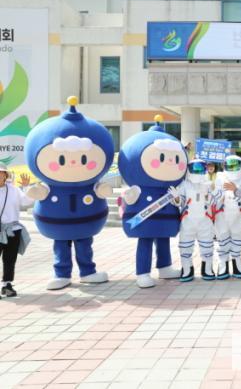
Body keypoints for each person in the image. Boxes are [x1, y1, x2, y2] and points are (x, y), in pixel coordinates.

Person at [24, 96, 114, 291]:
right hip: (58, 221)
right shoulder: (51, 185)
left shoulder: (91, 183)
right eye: (63, 160)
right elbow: (38, 192)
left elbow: (101, 189)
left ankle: (87, 272)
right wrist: (37, 191)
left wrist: (103, 189)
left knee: (84, 244)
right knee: (61, 246)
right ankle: (61, 274)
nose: (73, 163)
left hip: (86, 218)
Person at [119, 116, 185, 288]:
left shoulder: (171, 187)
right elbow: (129, 198)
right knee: (145, 242)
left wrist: (176, 198)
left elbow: (179, 201)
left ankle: (165, 267)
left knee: (164, 240)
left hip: (165, 217)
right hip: (144, 219)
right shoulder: (139, 187)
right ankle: (142, 273)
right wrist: (129, 196)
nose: (170, 162)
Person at [170, 159, 216, 282]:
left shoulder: (208, 183)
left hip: (205, 220)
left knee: (207, 245)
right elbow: (180, 202)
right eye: (195, 168)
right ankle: (187, 269)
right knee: (185, 246)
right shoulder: (184, 184)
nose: (197, 171)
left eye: (200, 168)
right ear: (189, 169)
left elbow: (213, 202)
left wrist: (207, 194)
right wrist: (176, 198)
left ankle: (207, 269)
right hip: (188, 220)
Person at [214, 155, 241, 279]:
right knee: (222, 238)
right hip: (222, 214)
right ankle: (222, 265)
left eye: (235, 165)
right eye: (230, 165)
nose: (233, 168)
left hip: (238, 214)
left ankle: (237, 265)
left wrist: (236, 192)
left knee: (238, 237)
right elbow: (216, 195)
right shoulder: (220, 177)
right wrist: (219, 198)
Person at [0, 169, 33, 298]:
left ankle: (7, 285)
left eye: (1, 173)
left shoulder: (13, 190)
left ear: (5, 175)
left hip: (13, 230)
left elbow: (26, 202)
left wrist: (26, 187)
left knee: (10, 258)